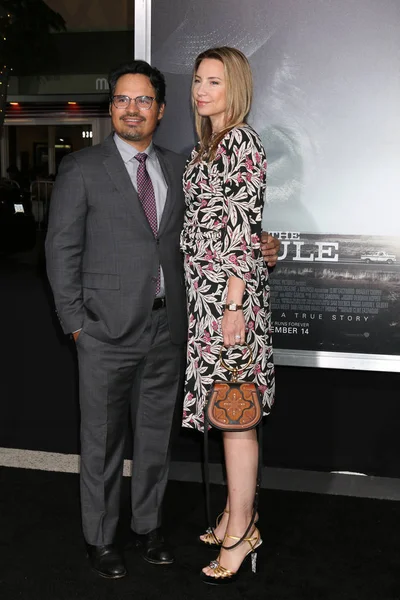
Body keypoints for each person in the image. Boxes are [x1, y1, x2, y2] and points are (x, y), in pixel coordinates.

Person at [45, 59, 280, 580]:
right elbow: (60, 250)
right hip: (103, 331)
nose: (132, 109)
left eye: (143, 99)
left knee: (155, 439)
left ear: (159, 109)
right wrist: (75, 325)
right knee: (102, 442)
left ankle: (147, 528)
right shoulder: (82, 169)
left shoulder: (182, 164)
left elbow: (228, 224)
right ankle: (101, 538)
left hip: (169, 328)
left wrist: (263, 247)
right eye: (122, 100)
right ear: (111, 110)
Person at [180, 47, 275, 585]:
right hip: (207, 298)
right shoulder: (205, 147)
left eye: (213, 81)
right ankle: (235, 515)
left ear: (233, 87)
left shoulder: (240, 140)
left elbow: (241, 228)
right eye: (197, 80)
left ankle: (243, 530)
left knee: (236, 415)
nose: (201, 90)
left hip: (228, 299)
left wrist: (234, 303)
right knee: (225, 410)